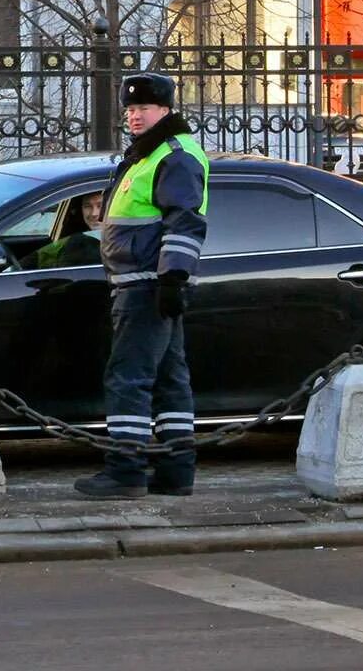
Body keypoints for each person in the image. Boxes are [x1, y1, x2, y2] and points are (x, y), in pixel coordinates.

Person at [74, 72, 208, 499]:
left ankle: (125, 469)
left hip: (146, 285)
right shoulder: (147, 155)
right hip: (148, 283)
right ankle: (175, 469)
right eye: (130, 109)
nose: (134, 116)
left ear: (165, 110)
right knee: (170, 378)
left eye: (143, 109)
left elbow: (184, 221)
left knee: (128, 377)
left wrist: (173, 276)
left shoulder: (173, 155)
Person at [33, 192, 104, 269]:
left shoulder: (116, 241)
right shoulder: (74, 242)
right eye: (88, 206)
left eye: (100, 206)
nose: (94, 213)